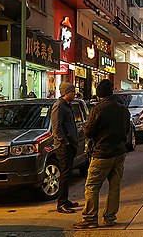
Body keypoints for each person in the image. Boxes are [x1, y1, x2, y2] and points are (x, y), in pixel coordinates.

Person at [74, 79, 130, 230]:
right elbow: (127, 130)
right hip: (119, 152)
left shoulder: (98, 110)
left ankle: (90, 218)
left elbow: (89, 132)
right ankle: (110, 217)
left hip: (102, 153)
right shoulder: (123, 109)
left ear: (99, 95)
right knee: (114, 186)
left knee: (92, 186)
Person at [51, 81, 79, 214]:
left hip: (70, 144)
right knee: (64, 174)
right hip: (63, 147)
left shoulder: (67, 105)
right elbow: (57, 128)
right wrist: (66, 142)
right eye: (73, 91)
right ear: (66, 93)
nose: (75, 94)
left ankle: (65, 200)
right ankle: (61, 203)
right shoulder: (59, 106)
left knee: (68, 174)